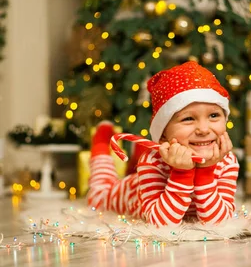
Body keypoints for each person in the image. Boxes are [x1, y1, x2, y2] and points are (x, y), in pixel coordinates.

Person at [88, 61, 239, 227]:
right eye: (188, 118)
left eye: (214, 115)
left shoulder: (227, 160)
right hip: (127, 194)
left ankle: (135, 155)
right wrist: (181, 173)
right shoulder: (153, 162)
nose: (203, 129)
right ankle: (101, 143)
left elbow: (220, 223)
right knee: (99, 192)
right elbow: (160, 225)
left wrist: (206, 171)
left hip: (153, 178)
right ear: (163, 135)